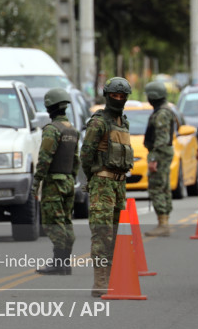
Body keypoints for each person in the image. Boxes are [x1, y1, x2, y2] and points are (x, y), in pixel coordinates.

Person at [80, 77, 134, 297]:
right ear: (107, 96)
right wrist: (93, 177)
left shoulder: (123, 122)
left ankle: (114, 277)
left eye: (122, 96)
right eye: (114, 95)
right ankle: (100, 280)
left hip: (119, 184)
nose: (118, 99)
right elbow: (86, 154)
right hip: (103, 182)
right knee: (102, 232)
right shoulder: (98, 122)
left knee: (117, 233)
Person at [32, 88, 79, 275]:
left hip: (54, 183)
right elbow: (76, 159)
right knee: (66, 221)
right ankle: (64, 262)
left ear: (49, 107)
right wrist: (71, 178)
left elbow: (45, 159)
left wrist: (36, 183)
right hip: (68, 181)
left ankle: (59, 263)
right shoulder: (72, 130)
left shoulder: (52, 130)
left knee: (53, 222)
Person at [144, 81, 176, 237]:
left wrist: (153, 159)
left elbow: (162, 139)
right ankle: (164, 222)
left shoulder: (162, 113)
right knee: (163, 186)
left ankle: (163, 224)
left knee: (157, 187)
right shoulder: (164, 111)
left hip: (160, 154)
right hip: (163, 153)